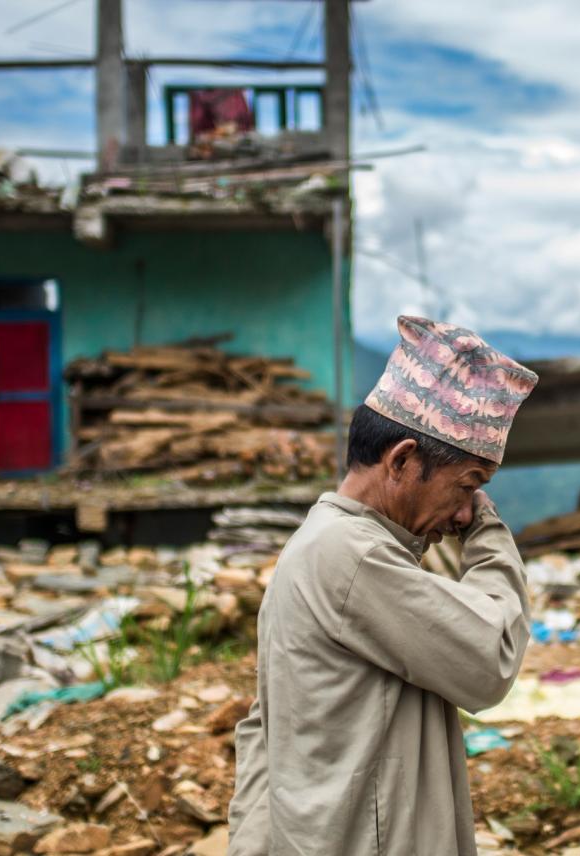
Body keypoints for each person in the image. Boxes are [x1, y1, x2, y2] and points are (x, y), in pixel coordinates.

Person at [229, 316, 539, 856]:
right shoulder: (355, 556)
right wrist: (487, 535)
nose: (463, 511)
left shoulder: (322, 543)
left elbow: (266, 731)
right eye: (468, 486)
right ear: (401, 461)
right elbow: (491, 658)